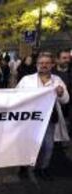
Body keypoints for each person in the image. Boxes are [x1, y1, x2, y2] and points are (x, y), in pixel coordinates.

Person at [17, 52, 70, 180]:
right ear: (36, 65)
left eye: (47, 63)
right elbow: (15, 95)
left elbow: (66, 100)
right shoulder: (26, 80)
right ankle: (24, 166)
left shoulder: (57, 81)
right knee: (28, 143)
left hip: (48, 119)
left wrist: (61, 93)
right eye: (41, 63)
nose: (44, 65)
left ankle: (43, 168)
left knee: (48, 145)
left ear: (52, 65)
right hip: (30, 118)